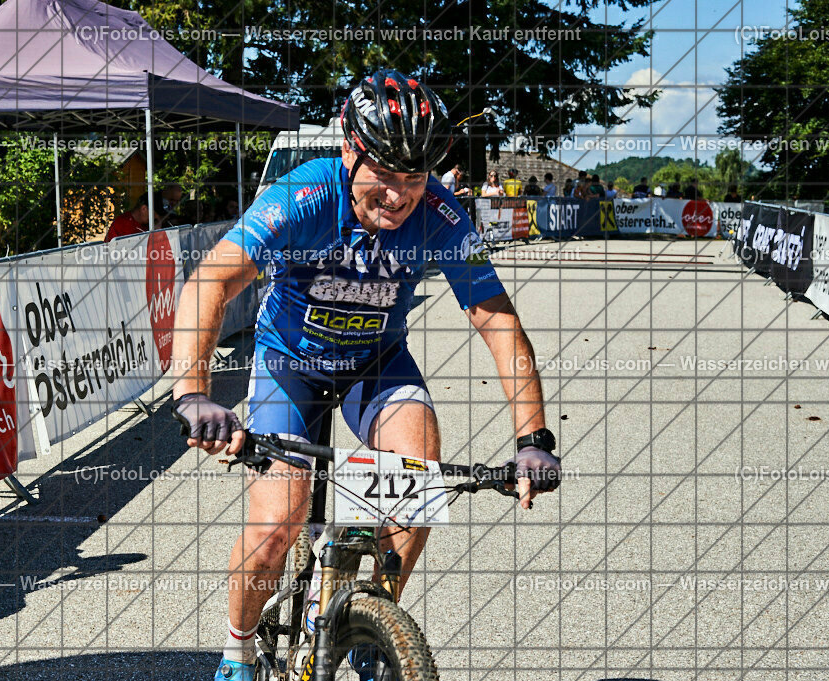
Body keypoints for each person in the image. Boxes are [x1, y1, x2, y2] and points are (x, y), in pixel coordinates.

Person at [168, 69, 561, 681]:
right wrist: (192, 392)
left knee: (421, 476)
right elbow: (210, 282)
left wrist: (533, 440)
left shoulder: (442, 214)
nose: (401, 195)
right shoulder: (306, 196)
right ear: (349, 151)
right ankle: (237, 651)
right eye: (385, 174)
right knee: (277, 527)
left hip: (375, 365)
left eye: (415, 177)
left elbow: (498, 323)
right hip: (290, 364)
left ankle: (369, 623)